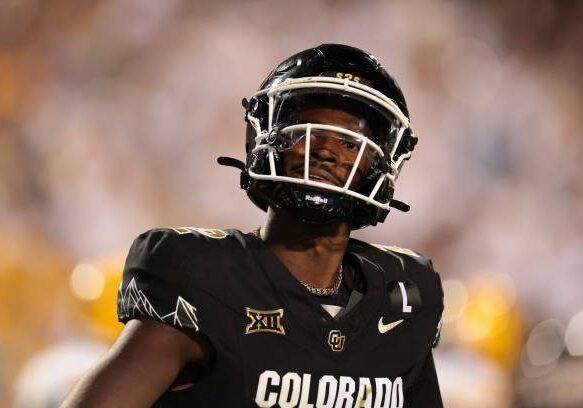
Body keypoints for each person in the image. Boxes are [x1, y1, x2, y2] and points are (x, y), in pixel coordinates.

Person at [61, 43, 444, 408]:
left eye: (349, 142)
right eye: (306, 130)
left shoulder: (404, 295)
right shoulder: (205, 277)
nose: (326, 150)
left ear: (382, 164)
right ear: (264, 139)